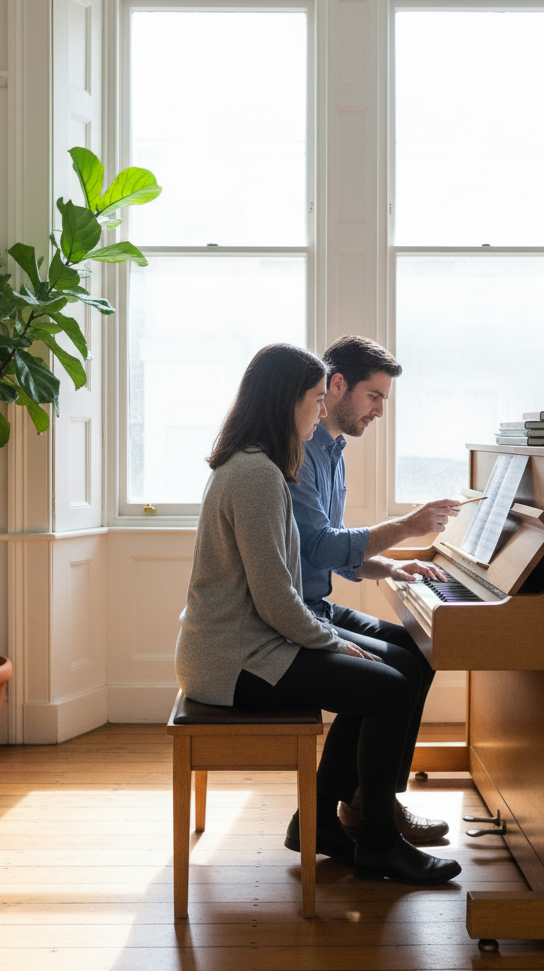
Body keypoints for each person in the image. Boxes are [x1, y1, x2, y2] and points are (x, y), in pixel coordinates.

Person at [175, 344, 461, 886]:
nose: (318, 409)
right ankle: (377, 842)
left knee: (389, 675)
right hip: (235, 658)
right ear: (289, 402)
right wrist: (330, 640)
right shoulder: (258, 475)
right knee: (391, 686)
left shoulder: (254, 466)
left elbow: (277, 588)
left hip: (248, 643)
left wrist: (331, 635)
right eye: (313, 398)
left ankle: (324, 823)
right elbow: (275, 599)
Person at [288, 335, 460, 843]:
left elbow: (336, 553)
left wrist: (390, 568)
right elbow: (321, 547)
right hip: (298, 611)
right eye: (375, 396)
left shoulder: (333, 451)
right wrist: (409, 525)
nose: (380, 411)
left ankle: (366, 798)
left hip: (317, 600)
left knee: (418, 649)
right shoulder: (300, 452)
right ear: (337, 385)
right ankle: (361, 808)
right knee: (396, 672)